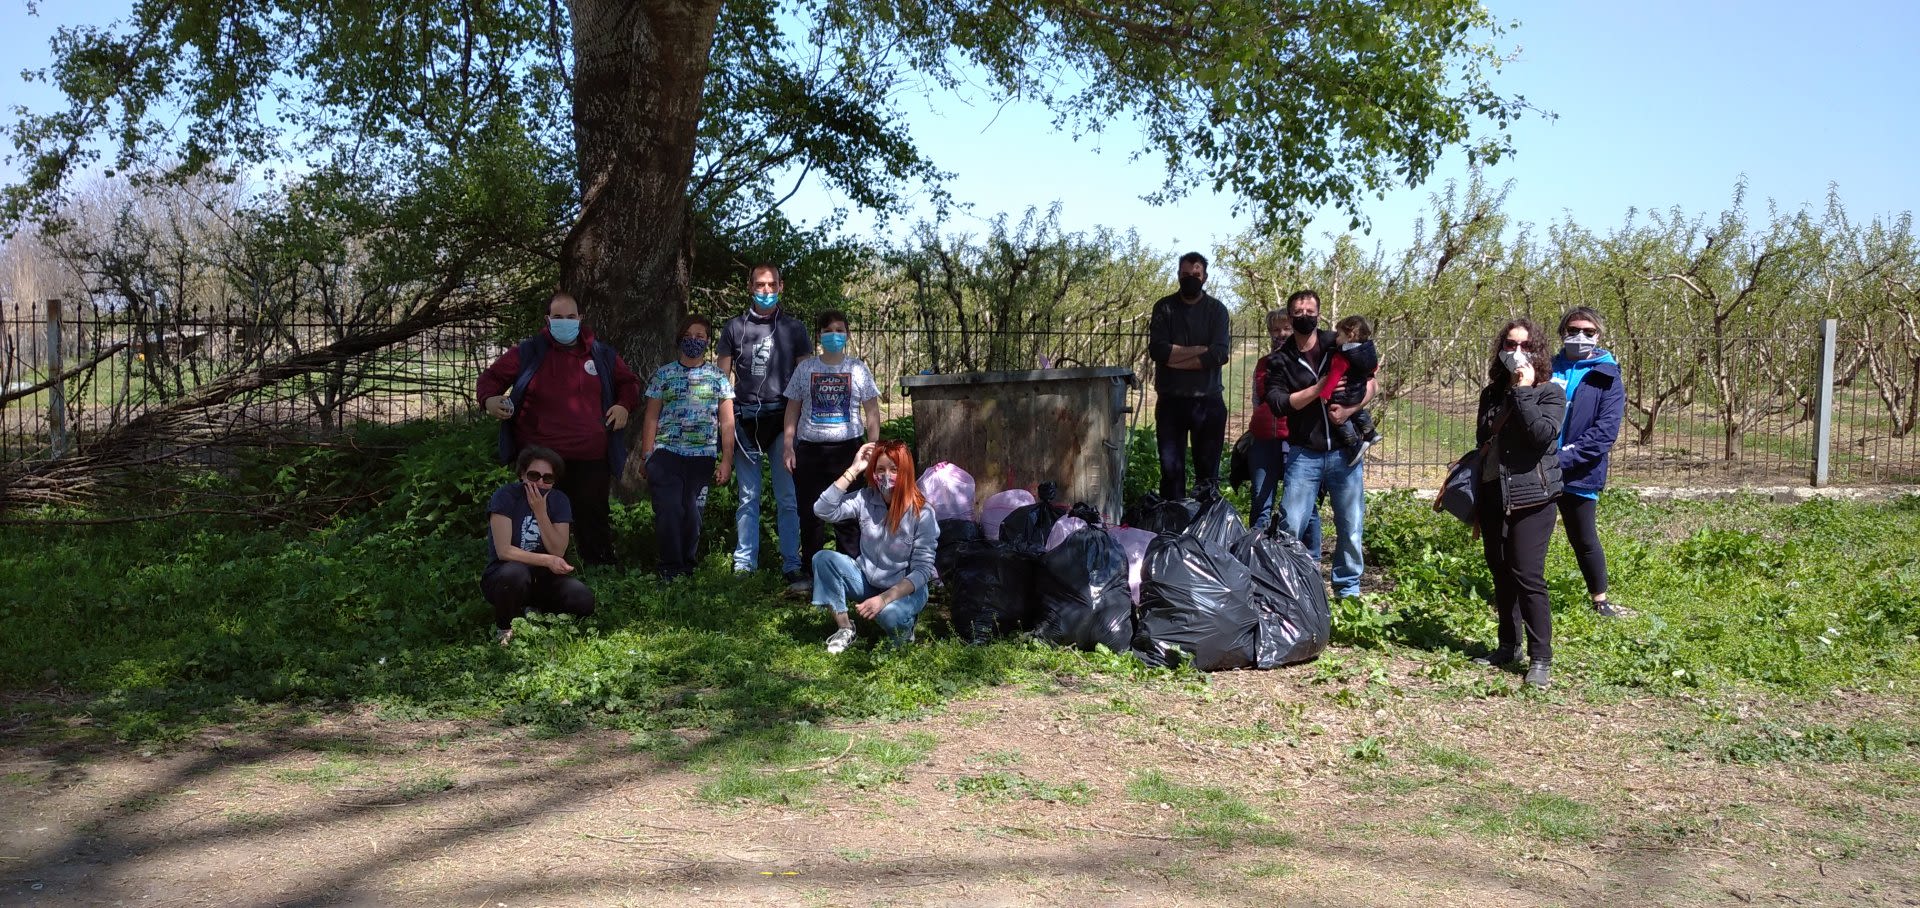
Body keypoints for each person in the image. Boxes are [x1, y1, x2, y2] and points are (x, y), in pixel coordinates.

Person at [478, 292, 642, 567]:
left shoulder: (601, 354)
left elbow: (629, 383)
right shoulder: (528, 352)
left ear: (580, 319)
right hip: (540, 455)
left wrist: (624, 405)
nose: (564, 322)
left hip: (590, 454)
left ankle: (599, 566)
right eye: (557, 317)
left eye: (570, 317)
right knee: (534, 511)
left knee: (592, 511)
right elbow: (490, 378)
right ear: (547, 320)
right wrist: (488, 399)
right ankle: (536, 566)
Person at [1472, 317, 1567, 689]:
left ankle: (1540, 658)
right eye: (1510, 345)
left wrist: (1524, 392)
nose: (1516, 352)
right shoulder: (1492, 393)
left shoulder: (1550, 392)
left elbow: (1542, 436)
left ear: (1537, 350)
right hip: (1494, 492)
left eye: (1525, 346)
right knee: (1501, 571)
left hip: (1533, 497)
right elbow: (1484, 437)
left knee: (1528, 575)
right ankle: (1508, 645)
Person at [1263, 290, 1373, 599]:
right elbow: (1279, 403)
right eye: (1298, 312)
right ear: (1290, 314)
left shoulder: (1336, 343)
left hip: (1344, 451)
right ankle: (1288, 589)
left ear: (1319, 314)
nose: (1304, 316)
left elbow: (1372, 382)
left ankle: (1348, 591)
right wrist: (1321, 387)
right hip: (1304, 453)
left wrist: (1350, 410)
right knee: (1291, 524)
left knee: (1351, 524)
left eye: (1310, 311)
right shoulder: (1280, 359)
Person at [716, 262, 811, 588]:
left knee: (787, 498)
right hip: (746, 423)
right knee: (748, 497)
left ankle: (792, 564)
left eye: (771, 284)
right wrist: (726, 427)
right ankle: (744, 565)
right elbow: (721, 383)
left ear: (781, 287)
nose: (766, 290)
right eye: (760, 285)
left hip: (784, 422)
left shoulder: (795, 329)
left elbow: (805, 381)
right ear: (750, 287)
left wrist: (798, 429)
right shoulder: (734, 328)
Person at [783, 310, 882, 589]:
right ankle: (811, 574)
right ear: (819, 336)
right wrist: (788, 446)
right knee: (810, 514)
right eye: (828, 331)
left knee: (848, 516)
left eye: (840, 330)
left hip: (849, 452)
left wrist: (873, 448)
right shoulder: (805, 369)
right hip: (810, 452)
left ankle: (849, 576)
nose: (834, 335)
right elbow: (792, 409)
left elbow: (872, 412)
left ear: (847, 335)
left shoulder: (858, 369)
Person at [810, 440, 940, 653]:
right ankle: (845, 628)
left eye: (894, 469)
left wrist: (884, 599)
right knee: (823, 559)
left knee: (888, 614)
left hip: (906, 589)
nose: (886, 476)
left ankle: (904, 632)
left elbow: (922, 571)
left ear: (906, 472)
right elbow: (822, 509)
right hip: (867, 580)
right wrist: (854, 469)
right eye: (880, 469)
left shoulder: (923, 512)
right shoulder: (865, 498)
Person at [639, 315, 735, 581]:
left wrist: (726, 460)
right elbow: (651, 417)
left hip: (702, 456)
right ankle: (669, 567)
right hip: (666, 454)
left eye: (700, 336)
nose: (694, 340)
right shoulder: (664, 374)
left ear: (707, 341)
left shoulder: (718, 377)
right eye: (689, 335)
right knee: (669, 508)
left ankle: (687, 567)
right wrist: (647, 455)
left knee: (692, 512)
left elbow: (727, 422)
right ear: (680, 338)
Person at [1551, 307, 1627, 618]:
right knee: (1530, 537)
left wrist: (1563, 458)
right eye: (1572, 330)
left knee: (1583, 536)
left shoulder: (1607, 375)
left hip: (1579, 469)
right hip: (1537, 468)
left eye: (1588, 331)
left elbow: (1604, 432)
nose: (1579, 336)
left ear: (1599, 335)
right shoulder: (1546, 367)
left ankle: (1600, 599)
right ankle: (1520, 593)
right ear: (1562, 332)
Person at [481, 446, 596, 645]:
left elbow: (558, 550)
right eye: (534, 476)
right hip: (506, 575)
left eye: (547, 478)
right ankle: (504, 627)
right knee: (515, 573)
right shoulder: (505, 496)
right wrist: (547, 560)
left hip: (544, 578)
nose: (540, 483)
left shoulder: (559, 500)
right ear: (522, 475)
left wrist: (540, 512)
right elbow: (504, 550)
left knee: (583, 600)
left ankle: (534, 609)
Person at [1147, 251, 1231, 500]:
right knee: (1171, 472)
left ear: (1205, 277)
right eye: (1185, 274)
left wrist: (1175, 358)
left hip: (1208, 401)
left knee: (1207, 475)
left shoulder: (1217, 310)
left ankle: (1206, 522)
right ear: (1178, 275)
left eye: (1196, 274)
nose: (1190, 278)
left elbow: (1218, 354)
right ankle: (1174, 520)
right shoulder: (1164, 308)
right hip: (1171, 401)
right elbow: (1158, 351)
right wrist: (1200, 352)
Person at [1248, 311, 1321, 552]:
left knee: (1303, 504)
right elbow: (1257, 400)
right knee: (1260, 500)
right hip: (1264, 438)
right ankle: (1258, 555)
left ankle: (1310, 558)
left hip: (1297, 440)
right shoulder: (1263, 363)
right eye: (1276, 329)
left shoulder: (1308, 364)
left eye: (1287, 328)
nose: (1281, 334)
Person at [1321, 315, 1384, 466]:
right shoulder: (1367, 351)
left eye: (1339, 335)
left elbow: (1334, 376)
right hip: (1360, 390)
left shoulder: (1342, 355)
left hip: (1345, 392)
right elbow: (1374, 368)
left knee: (1337, 414)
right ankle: (1370, 432)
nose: (1336, 339)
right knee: (1357, 410)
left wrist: (1325, 393)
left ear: (1349, 336)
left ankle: (1354, 443)